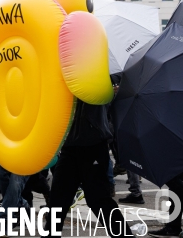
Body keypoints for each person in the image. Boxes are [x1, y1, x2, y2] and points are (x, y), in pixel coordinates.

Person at [46, 94, 133, 237]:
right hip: (70, 147)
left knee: (98, 200)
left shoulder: (96, 79)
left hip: (93, 146)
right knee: (58, 200)